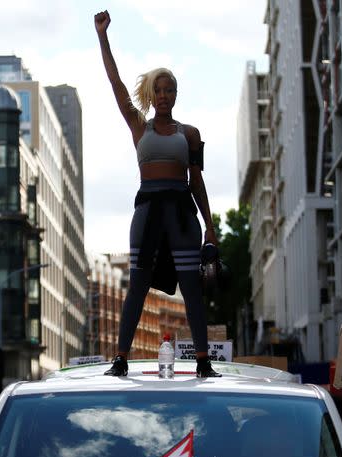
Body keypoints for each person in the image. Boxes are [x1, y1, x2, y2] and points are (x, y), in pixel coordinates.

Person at [94, 9, 220, 378]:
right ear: (151, 95)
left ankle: (202, 360)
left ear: (176, 95)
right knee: (137, 284)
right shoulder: (138, 125)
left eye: (170, 90)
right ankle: (120, 358)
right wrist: (102, 37)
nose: (164, 95)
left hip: (182, 212)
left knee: (192, 286)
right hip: (148, 210)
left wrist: (210, 227)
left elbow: (196, 181)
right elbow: (115, 83)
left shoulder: (191, 134)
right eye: (159, 90)